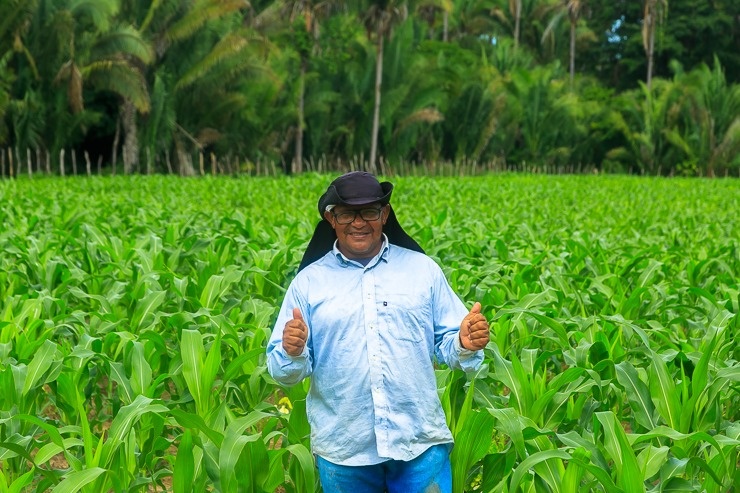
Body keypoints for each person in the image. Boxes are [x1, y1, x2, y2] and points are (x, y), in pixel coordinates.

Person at [266, 171, 490, 493]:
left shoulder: (422, 271)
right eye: (346, 213)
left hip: (419, 442)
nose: (358, 223)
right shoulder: (308, 284)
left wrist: (464, 343)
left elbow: (451, 346)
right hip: (344, 450)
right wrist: (292, 351)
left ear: (384, 215)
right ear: (332, 219)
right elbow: (282, 372)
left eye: (369, 212)